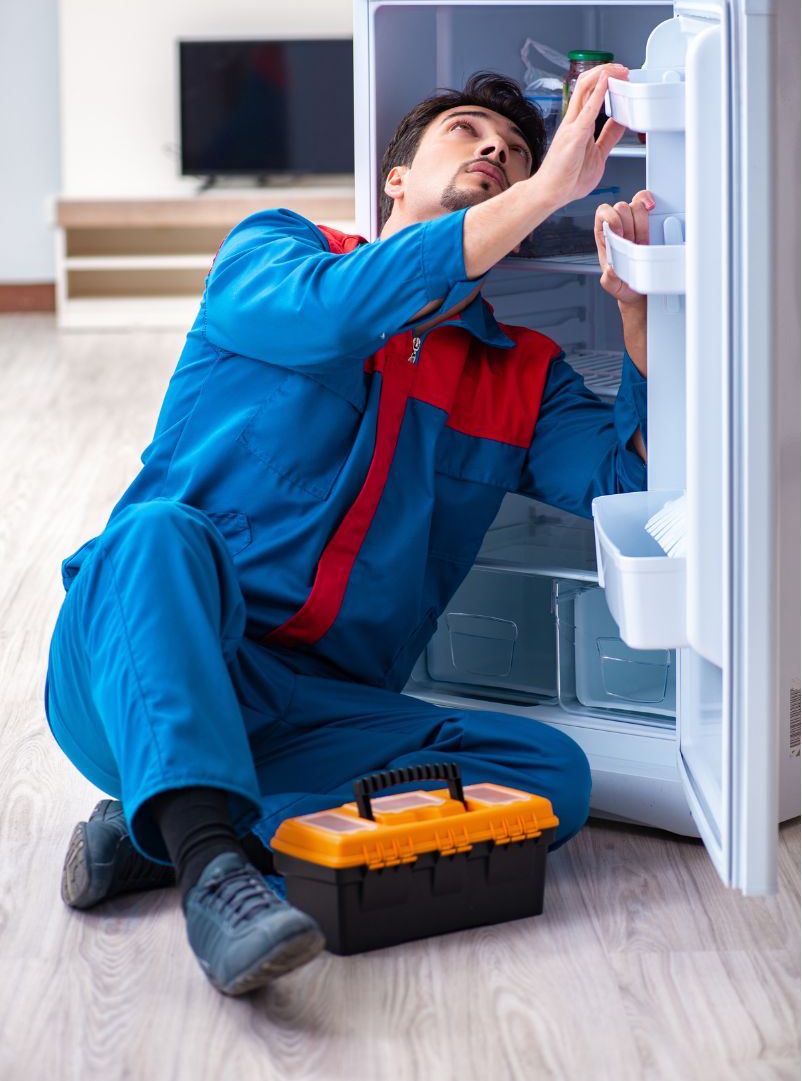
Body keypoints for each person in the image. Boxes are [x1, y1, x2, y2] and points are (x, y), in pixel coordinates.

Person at [46, 63, 653, 997]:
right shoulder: (273, 255)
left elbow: (629, 482)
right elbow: (342, 315)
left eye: (519, 150)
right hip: (136, 662)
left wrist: (645, 323)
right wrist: (543, 189)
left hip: (313, 713)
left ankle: (161, 826)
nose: (498, 149)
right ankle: (215, 871)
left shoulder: (523, 374)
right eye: (466, 131)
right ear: (394, 180)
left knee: (548, 774)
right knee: (160, 537)